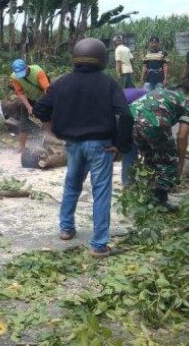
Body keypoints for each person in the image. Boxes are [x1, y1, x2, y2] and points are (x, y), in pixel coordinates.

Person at [33, 38, 133, 259]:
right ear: (101, 59)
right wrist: (120, 146)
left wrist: (53, 132)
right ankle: (98, 245)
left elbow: (40, 109)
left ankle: (66, 228)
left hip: (73, 145)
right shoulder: (108, 83)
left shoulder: (61, 83)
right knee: (101, 193)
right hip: (102, 145)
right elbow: (125, 115)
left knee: (71, 185)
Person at [129, 84, 189, 211]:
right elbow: (182, 136)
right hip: (155, 124)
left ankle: (146, 195)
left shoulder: (158, 91)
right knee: (168, 162)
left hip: (131, 122)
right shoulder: (188, 102)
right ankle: (160, 201)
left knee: (150, 160)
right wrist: (180, 163)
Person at [9, 59, 50, 153]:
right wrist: (28, 107)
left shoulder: (38, 71)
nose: (21, 75)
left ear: (27, 67)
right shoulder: (14, 77)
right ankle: (21, 147)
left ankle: (49, 144)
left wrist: (45, 105)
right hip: (29, 99)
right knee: (24, 123)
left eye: (22, 72)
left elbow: (47, 89)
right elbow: (20, 93)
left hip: (43, 98)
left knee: (45, 122)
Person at [120, 88, 148, 186]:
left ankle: (128, 183)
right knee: (130, 147)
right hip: (130, 111)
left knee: (130, 148)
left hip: (132, 110)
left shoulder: (117, 96)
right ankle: (129, 182)